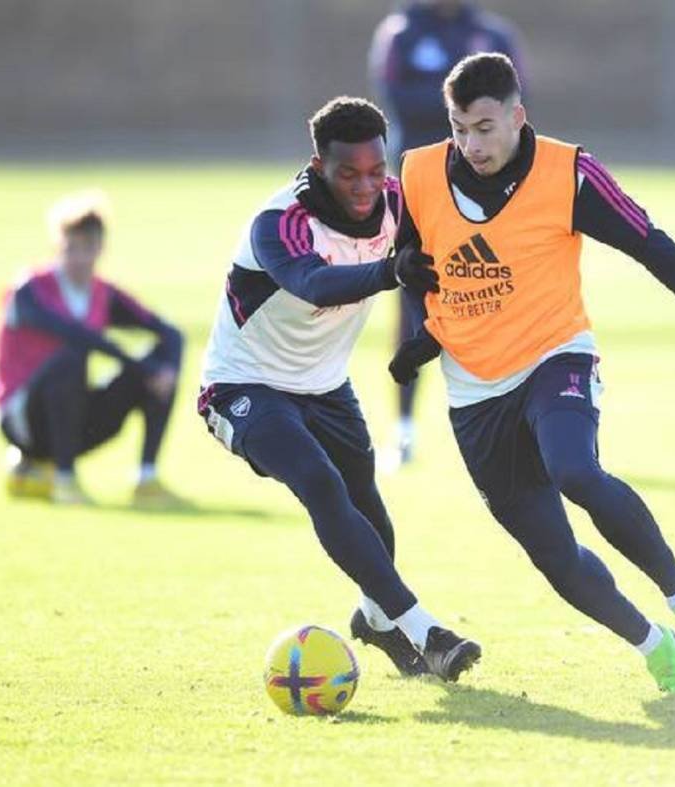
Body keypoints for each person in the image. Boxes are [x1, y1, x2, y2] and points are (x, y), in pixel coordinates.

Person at [390, 54, 675, 695]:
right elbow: (412, 256)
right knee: (553, 557)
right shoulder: (419, 171)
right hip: (473, 388)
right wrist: (415, 307)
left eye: (485, 126)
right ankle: (655, 647)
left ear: (518, 116)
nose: (470, 144)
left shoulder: (569, 175)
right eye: (459, 127)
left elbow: (650, 243)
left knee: (575, 470)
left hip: (553, 356)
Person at [197, 96, 480, 681]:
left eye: (376, 172)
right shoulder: (279, 223)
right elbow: (314, 282)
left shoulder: (396, 202)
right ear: (319, 164)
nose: (365, 186)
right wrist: (388, 272)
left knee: (371, 513)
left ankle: (376, 620)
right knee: (319, 482)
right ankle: (426, 631)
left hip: (325, 387)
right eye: (348, 173)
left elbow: (442, 261)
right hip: (244, 385)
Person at [369, 0, 525, 467]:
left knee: (501, 294)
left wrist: (463, 119)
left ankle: (518, 424)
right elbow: (397, 99)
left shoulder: (492, 34)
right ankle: (404, 430)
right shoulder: (401, 33)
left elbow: (516, 102)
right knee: (412, 297)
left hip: (490, 187)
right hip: (421, 188)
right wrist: (472, 114)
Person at [0, 191, 185, 506]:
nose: (80, 258)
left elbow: (170, 334)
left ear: (100, 248)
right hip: (23, 422)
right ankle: (64, 478)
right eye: (72, 249)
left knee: (163, 354)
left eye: (89, 248)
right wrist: (145, 369)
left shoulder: (103, 293)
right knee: (71, 358)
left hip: (75, 421)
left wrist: (164, 373)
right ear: (57, 246)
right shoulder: (28, 291)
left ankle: (146, 477)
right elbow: (78, 337)